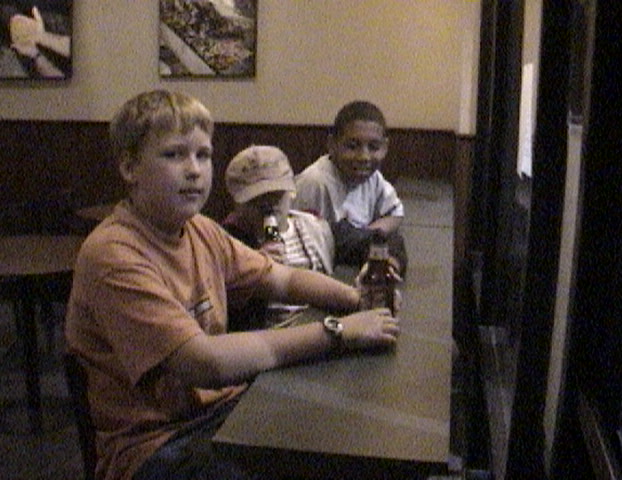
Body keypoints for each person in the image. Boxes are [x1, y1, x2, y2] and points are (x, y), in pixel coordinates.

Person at [64, 90, 400, 480]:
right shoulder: (113, 254)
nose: (194, 170)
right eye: (174, 154)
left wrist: (358, 300)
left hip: (216, 412)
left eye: (203, 155)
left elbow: (284, 278)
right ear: (129, 167)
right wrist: (337, 331)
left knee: (337, 430)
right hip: (155, 446)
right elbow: (206, 362)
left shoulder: (201, 230)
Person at [223, 144, 335, 329]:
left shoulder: (312, 226)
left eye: (276, 195)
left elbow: (365, 239)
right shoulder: (228, 243)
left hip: (319, 324)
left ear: (291, 191)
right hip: (269, 338)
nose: (268, 204)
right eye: (256, 199)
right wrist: (252, 274)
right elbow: (230, 316)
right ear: (238, 204)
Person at [293, 100, 408, 276]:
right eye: (352, 146)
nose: (364, 157)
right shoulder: (315, 182)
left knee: (390, 241)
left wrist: (367, 237)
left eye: (374, 147)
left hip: (355, 254)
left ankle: (386, 272)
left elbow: (395, 213)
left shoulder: (372, 177)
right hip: (320, 266)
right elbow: (297, 240)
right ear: (332, 144)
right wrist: (365, 240)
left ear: (385, 147)